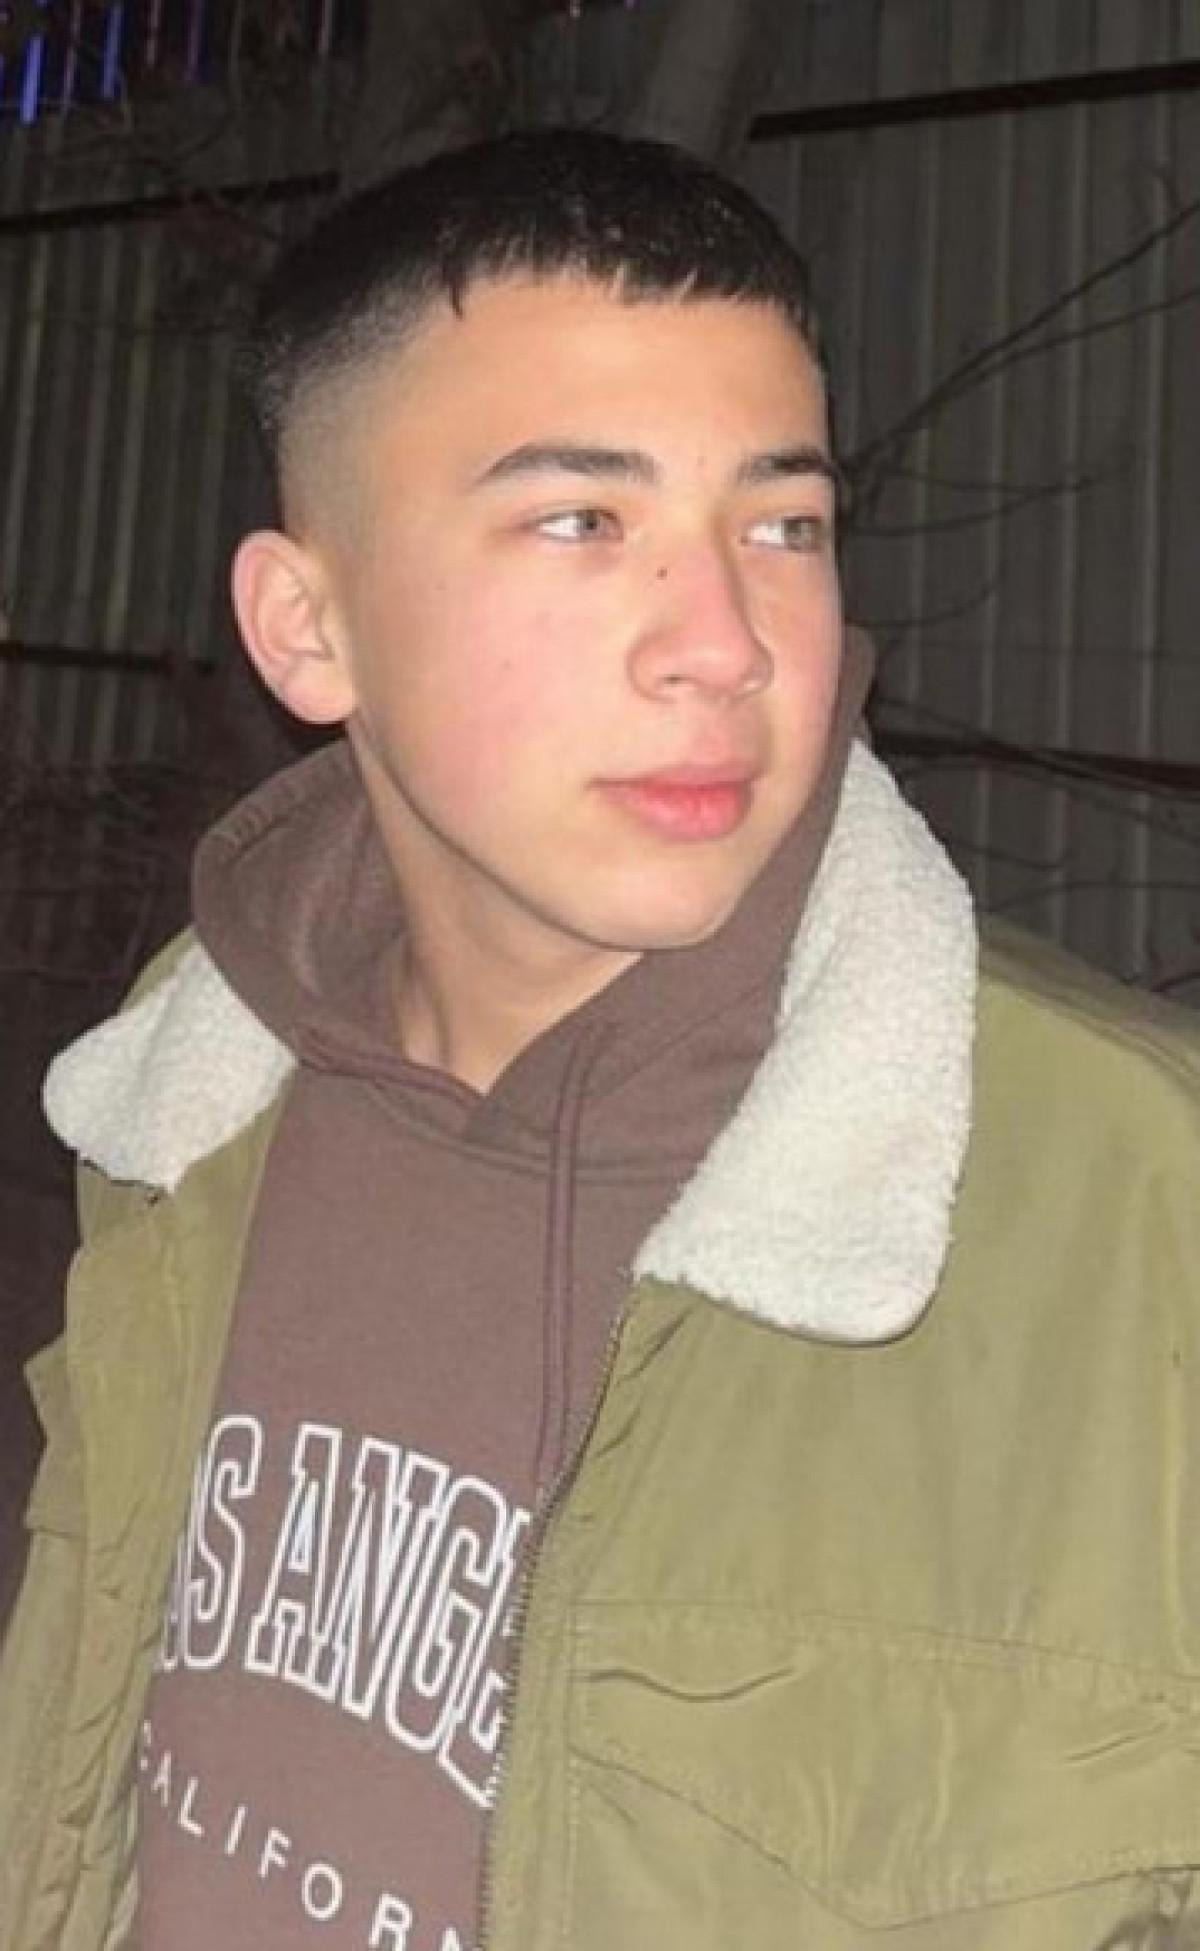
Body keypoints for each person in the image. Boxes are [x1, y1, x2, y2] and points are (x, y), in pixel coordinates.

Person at [2, 128, 1199, 1951]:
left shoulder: (1142, 1216)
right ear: (308, 629)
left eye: (783, 527)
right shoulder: (192, 1076)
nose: (726, 644)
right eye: (583, 520)